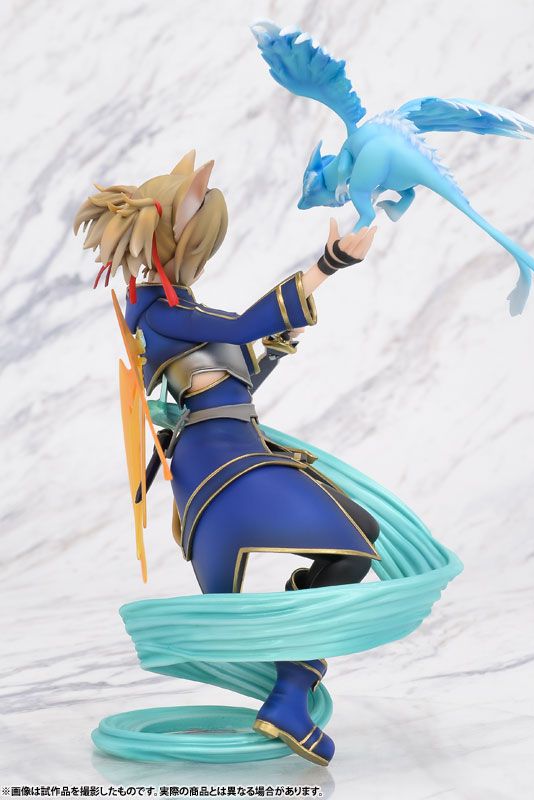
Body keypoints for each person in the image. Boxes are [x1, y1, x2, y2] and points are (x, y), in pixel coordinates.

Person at [74, 150, 379, 766]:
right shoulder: (158, 312)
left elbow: (233, 383)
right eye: (200, 235)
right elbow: (239, 329)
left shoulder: (184, 310)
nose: (205, 249)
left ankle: (290, 688)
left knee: (361, 534)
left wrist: (277, 348)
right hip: (218, 462)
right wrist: (327, 266)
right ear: (172, 238)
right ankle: (289, 690)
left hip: (240, 447)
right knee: (352, 544)